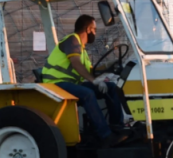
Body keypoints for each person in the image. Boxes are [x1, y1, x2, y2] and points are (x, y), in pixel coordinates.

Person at [42, 15, 129, 147]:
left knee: (111, 87)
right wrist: (94, 81)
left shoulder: (81, 49)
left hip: (71, 84)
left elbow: (90, 71)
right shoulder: (72, 40)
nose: (95, 32)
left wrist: (111, 64)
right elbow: (76, 64)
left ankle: (117, 127)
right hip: (56, 84)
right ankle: (105, 136)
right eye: (94, 29)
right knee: (87, 93)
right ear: (88, 29)